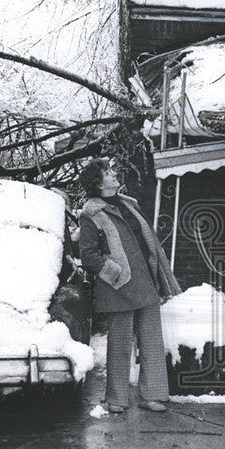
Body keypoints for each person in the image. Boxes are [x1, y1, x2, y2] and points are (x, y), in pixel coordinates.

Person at [77, 157, 181, 413]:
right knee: (120, 344)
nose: (114, 174)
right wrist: (115, 272)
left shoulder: (129, 205)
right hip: (118, 285)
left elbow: (146, 241)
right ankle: (116, 399)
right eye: (108, 172)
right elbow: (88, 254)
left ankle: (152, 396)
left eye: (111, 170)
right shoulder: (91, 214)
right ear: (98, 184)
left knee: (152, 341)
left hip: (145, 280)